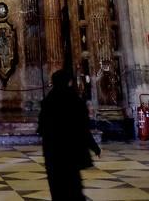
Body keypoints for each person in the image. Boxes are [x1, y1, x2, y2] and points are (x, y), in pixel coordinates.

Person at [38, 69, 101, 201]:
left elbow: (42, 127)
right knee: (73, 187)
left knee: (57, 188)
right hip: (70, 151)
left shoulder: (48, 100)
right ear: (68, 82)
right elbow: (82, 127)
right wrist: (94, 146)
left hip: (53, 152)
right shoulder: (74, 100)